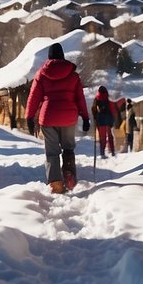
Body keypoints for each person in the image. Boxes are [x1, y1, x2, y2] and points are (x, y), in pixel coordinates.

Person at [25, 42, 89, 194]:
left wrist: (29, 117)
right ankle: (69, 175)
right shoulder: (73, 75)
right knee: (68, 148)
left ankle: (56, 184)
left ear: (49, 57)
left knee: (52, 152)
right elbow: (80, 98)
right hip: (68, 117)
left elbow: (33, 97)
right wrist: (85, 118)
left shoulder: (41, 74)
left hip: (48, 117)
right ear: (62, 56)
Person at [91, 85, 117, 157]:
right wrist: (113, 119)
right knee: (110, 136)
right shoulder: (108, 98)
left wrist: (95, 118)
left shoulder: (96, 99)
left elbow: (93, 109)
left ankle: (102, 153)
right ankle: (112, 151)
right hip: (108, 120)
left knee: (102, 137)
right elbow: (112, 109)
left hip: (100, 121)